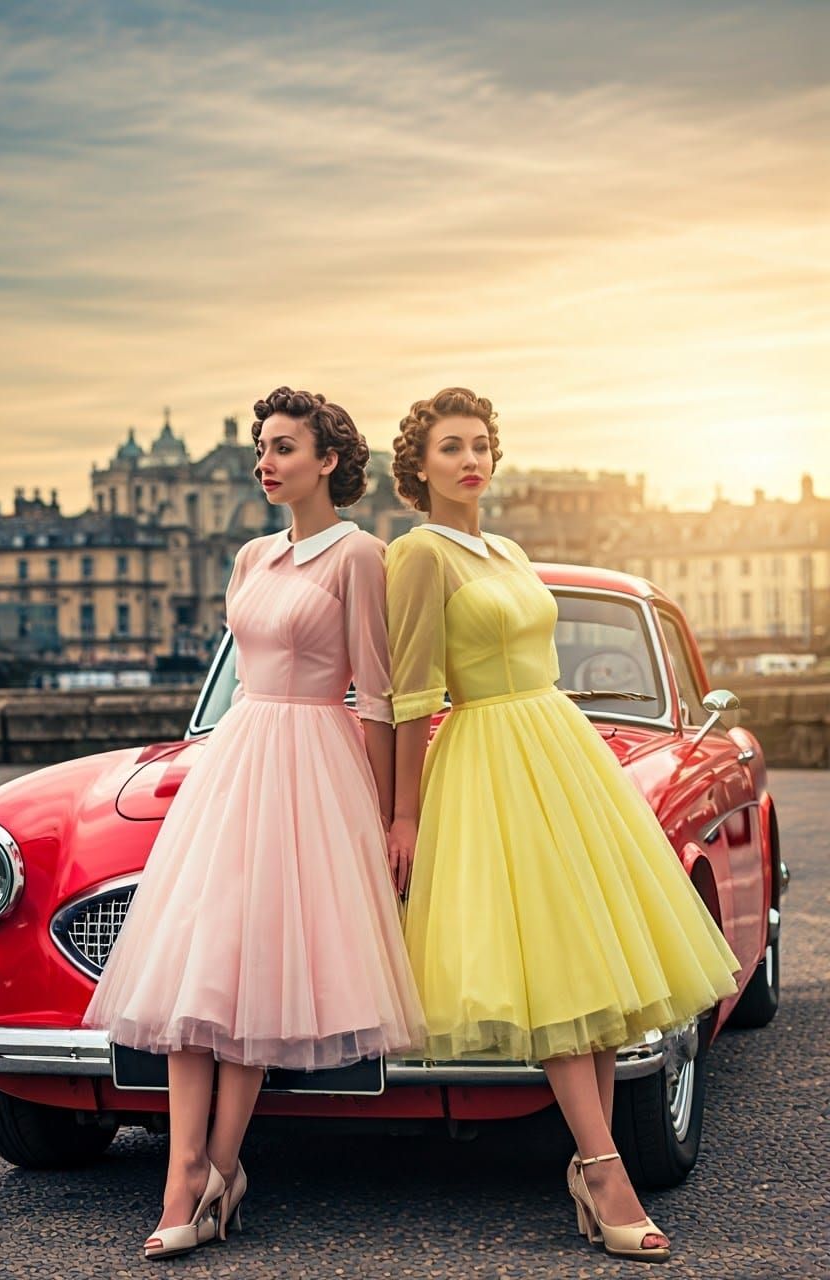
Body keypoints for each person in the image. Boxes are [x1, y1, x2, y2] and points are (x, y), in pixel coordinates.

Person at [384, 387, 739, 1263]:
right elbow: (410, 694)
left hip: (560, 750)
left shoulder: (507, 549)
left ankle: (592, 1165)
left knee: (594, 969)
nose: (471, 459)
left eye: (480, 445)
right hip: (487, 756)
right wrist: (403, 813)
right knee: (553, 977)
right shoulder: (418, 554)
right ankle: (605, 1173)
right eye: (450, 447)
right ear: (418, 467)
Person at [84, 386, 424, 1259]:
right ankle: (184, 1173)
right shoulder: (248, 556)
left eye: (283, 448)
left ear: (328, 461)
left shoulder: (362, 555)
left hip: (316, 761)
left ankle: (218, 1172)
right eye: (261, 449)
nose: (266, 464)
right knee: (203, 968)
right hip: (238, 758)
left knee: (257, 976)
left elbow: (379, 695)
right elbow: (242, 677)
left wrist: (392, 814)